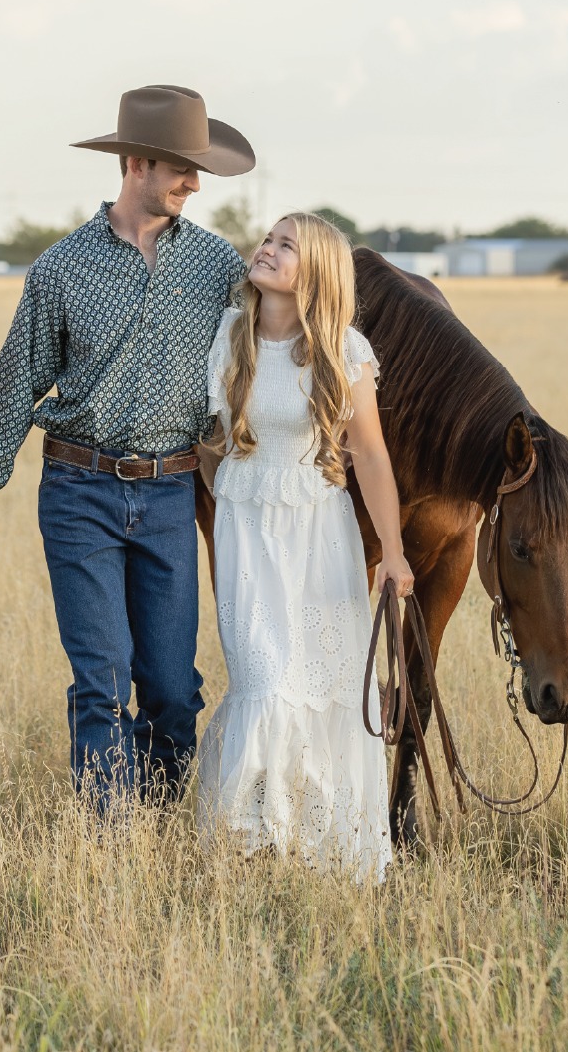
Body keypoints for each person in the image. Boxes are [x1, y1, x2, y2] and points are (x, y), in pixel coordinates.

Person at [0, 85, 254, 810]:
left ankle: (161, 816)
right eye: (182, 168)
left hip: (173, 494)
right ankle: (110, 848)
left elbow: (268, 355)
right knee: (102, 682)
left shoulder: (216, 266)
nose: (195, 183)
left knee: (174, 691)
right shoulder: (59, 269)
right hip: (79, 494)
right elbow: (13, 386)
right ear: (138, 162)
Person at [197, 212, 413, 880]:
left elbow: (370, 457)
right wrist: (231, 495)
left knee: (323, 686)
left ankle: (323, 855)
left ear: (313, 272)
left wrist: (394, 553)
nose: (265, 248)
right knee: (262, 679)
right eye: (268, 238)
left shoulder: (341, 350)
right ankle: (250, 847)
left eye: (284, 245)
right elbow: (211, 445)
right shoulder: (231, 336)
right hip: (246, 532)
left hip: (320, 535)